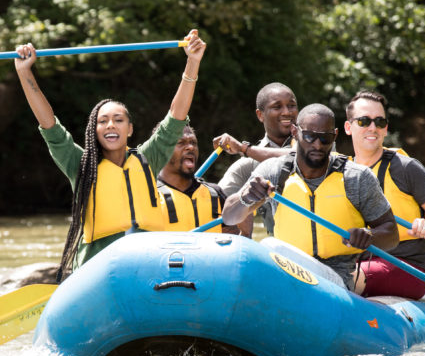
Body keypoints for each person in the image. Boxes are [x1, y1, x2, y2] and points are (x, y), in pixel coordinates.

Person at [14, 29, 207, 280]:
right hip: (100, 267)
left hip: (146, 259)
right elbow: (50, 125)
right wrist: (24, 72)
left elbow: (176, 116)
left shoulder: (150, 157)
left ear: (130, 129)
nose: (111, 125)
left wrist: (192, 62)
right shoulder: (79, 164)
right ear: (94, 131)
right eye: (102, 121)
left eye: (118, 120)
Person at [222, 103, 399, 290]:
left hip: (337, 281)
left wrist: (370, 235)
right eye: (309, 136)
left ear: (335, 136)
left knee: (271, 247)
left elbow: (392, 235)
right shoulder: (274, 171)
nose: (317, 144)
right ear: (294, 132)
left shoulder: (356, 177)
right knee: (267, 251)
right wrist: (246, 196)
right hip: (289, 273)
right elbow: (229, 217)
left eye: (325, 138)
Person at [344, 90, 425, 299]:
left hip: (405, 266)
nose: (372, 128)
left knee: (343, 275)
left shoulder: (405, 168)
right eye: (364, 121)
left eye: (379, 122)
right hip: (358, 261)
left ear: (386, 128)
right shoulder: (341, 171)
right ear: (348, 127)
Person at [212, 82, 299, 236]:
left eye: (291, 106)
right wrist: (244, 234)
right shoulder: (247, 165)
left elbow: (296, 156)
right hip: (277, 251)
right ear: (260, 115)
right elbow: (218, 208)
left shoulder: (319, 142)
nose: (287, 112)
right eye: (277, 107)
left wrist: (242, 148)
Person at [155, 124, 243, 234]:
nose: (191, 147)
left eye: (193, 143)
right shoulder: (149, 196)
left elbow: (233, 243)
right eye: (181, 142)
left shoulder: (215, 194)